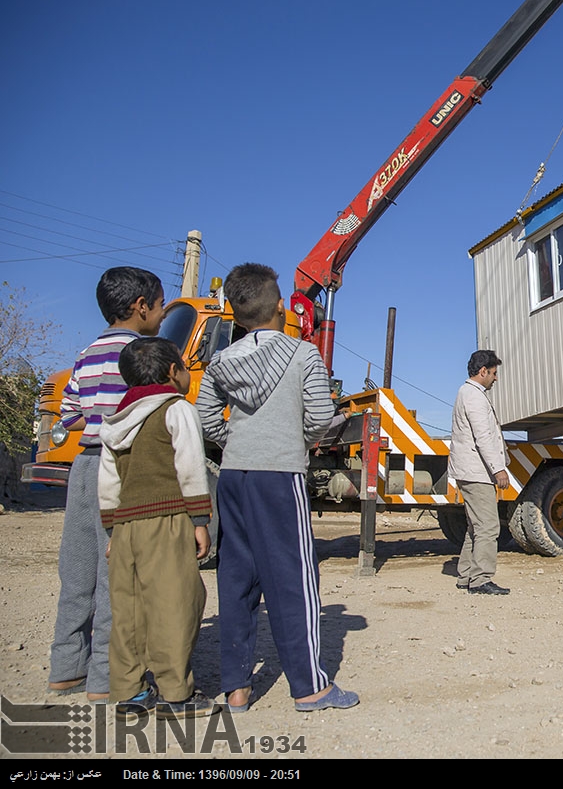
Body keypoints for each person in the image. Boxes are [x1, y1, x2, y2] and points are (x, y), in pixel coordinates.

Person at [197, 263, 357, 712]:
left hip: (233, 477)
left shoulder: (221, 362)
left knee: (236, 579)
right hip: (280, 476)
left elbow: (206, 418)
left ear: (236, 313)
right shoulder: (303, 355)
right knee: (293, 580)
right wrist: (294, 442)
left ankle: (237, 689)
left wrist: (238, 442)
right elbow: (321, 418)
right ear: (282, 306)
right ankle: (311, 688)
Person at [48, 267, 165, 703]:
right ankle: (107, 675)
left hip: (84, 466)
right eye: (159, 304)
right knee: (118, 574)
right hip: (122, 467)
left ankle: (65, 668)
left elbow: (70, 416)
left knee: (77, 570)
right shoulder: (143, 355)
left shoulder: (85, 353)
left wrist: (96, 417)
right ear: (141, 308)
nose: (162, 310)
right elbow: (149, 413)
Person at [98, 338, 213, 717]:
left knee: (128, 609)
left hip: (126, 525)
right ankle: (175, 693)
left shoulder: (115, 420)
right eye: (183, 366)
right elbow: (191, 465)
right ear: (172, 372)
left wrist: (113, 530)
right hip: (167, 520)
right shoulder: (177, 408)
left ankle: (129, 691)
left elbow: (108, 481)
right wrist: (199, 520)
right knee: (174, 602)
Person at [448, 350, 511, 595]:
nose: (496, 378)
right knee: (488, 526)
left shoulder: (468, 394)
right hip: (477, 472)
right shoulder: (473, 396)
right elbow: (483, 436)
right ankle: (481, 579)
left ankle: (466, 576)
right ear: (483, 371)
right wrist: (498, 469)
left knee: (476, 527)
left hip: (471, 470)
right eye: (494, 373)